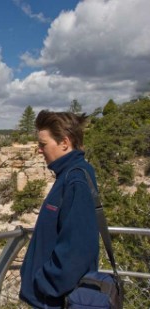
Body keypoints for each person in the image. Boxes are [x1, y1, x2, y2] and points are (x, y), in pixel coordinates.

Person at [19, 110, 100, 308]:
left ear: (64, 142)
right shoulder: (68, 174)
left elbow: (78, 248)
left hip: (56, 300)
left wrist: (45, 284)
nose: (39, 150)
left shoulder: (76, 179)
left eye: (43, 144)